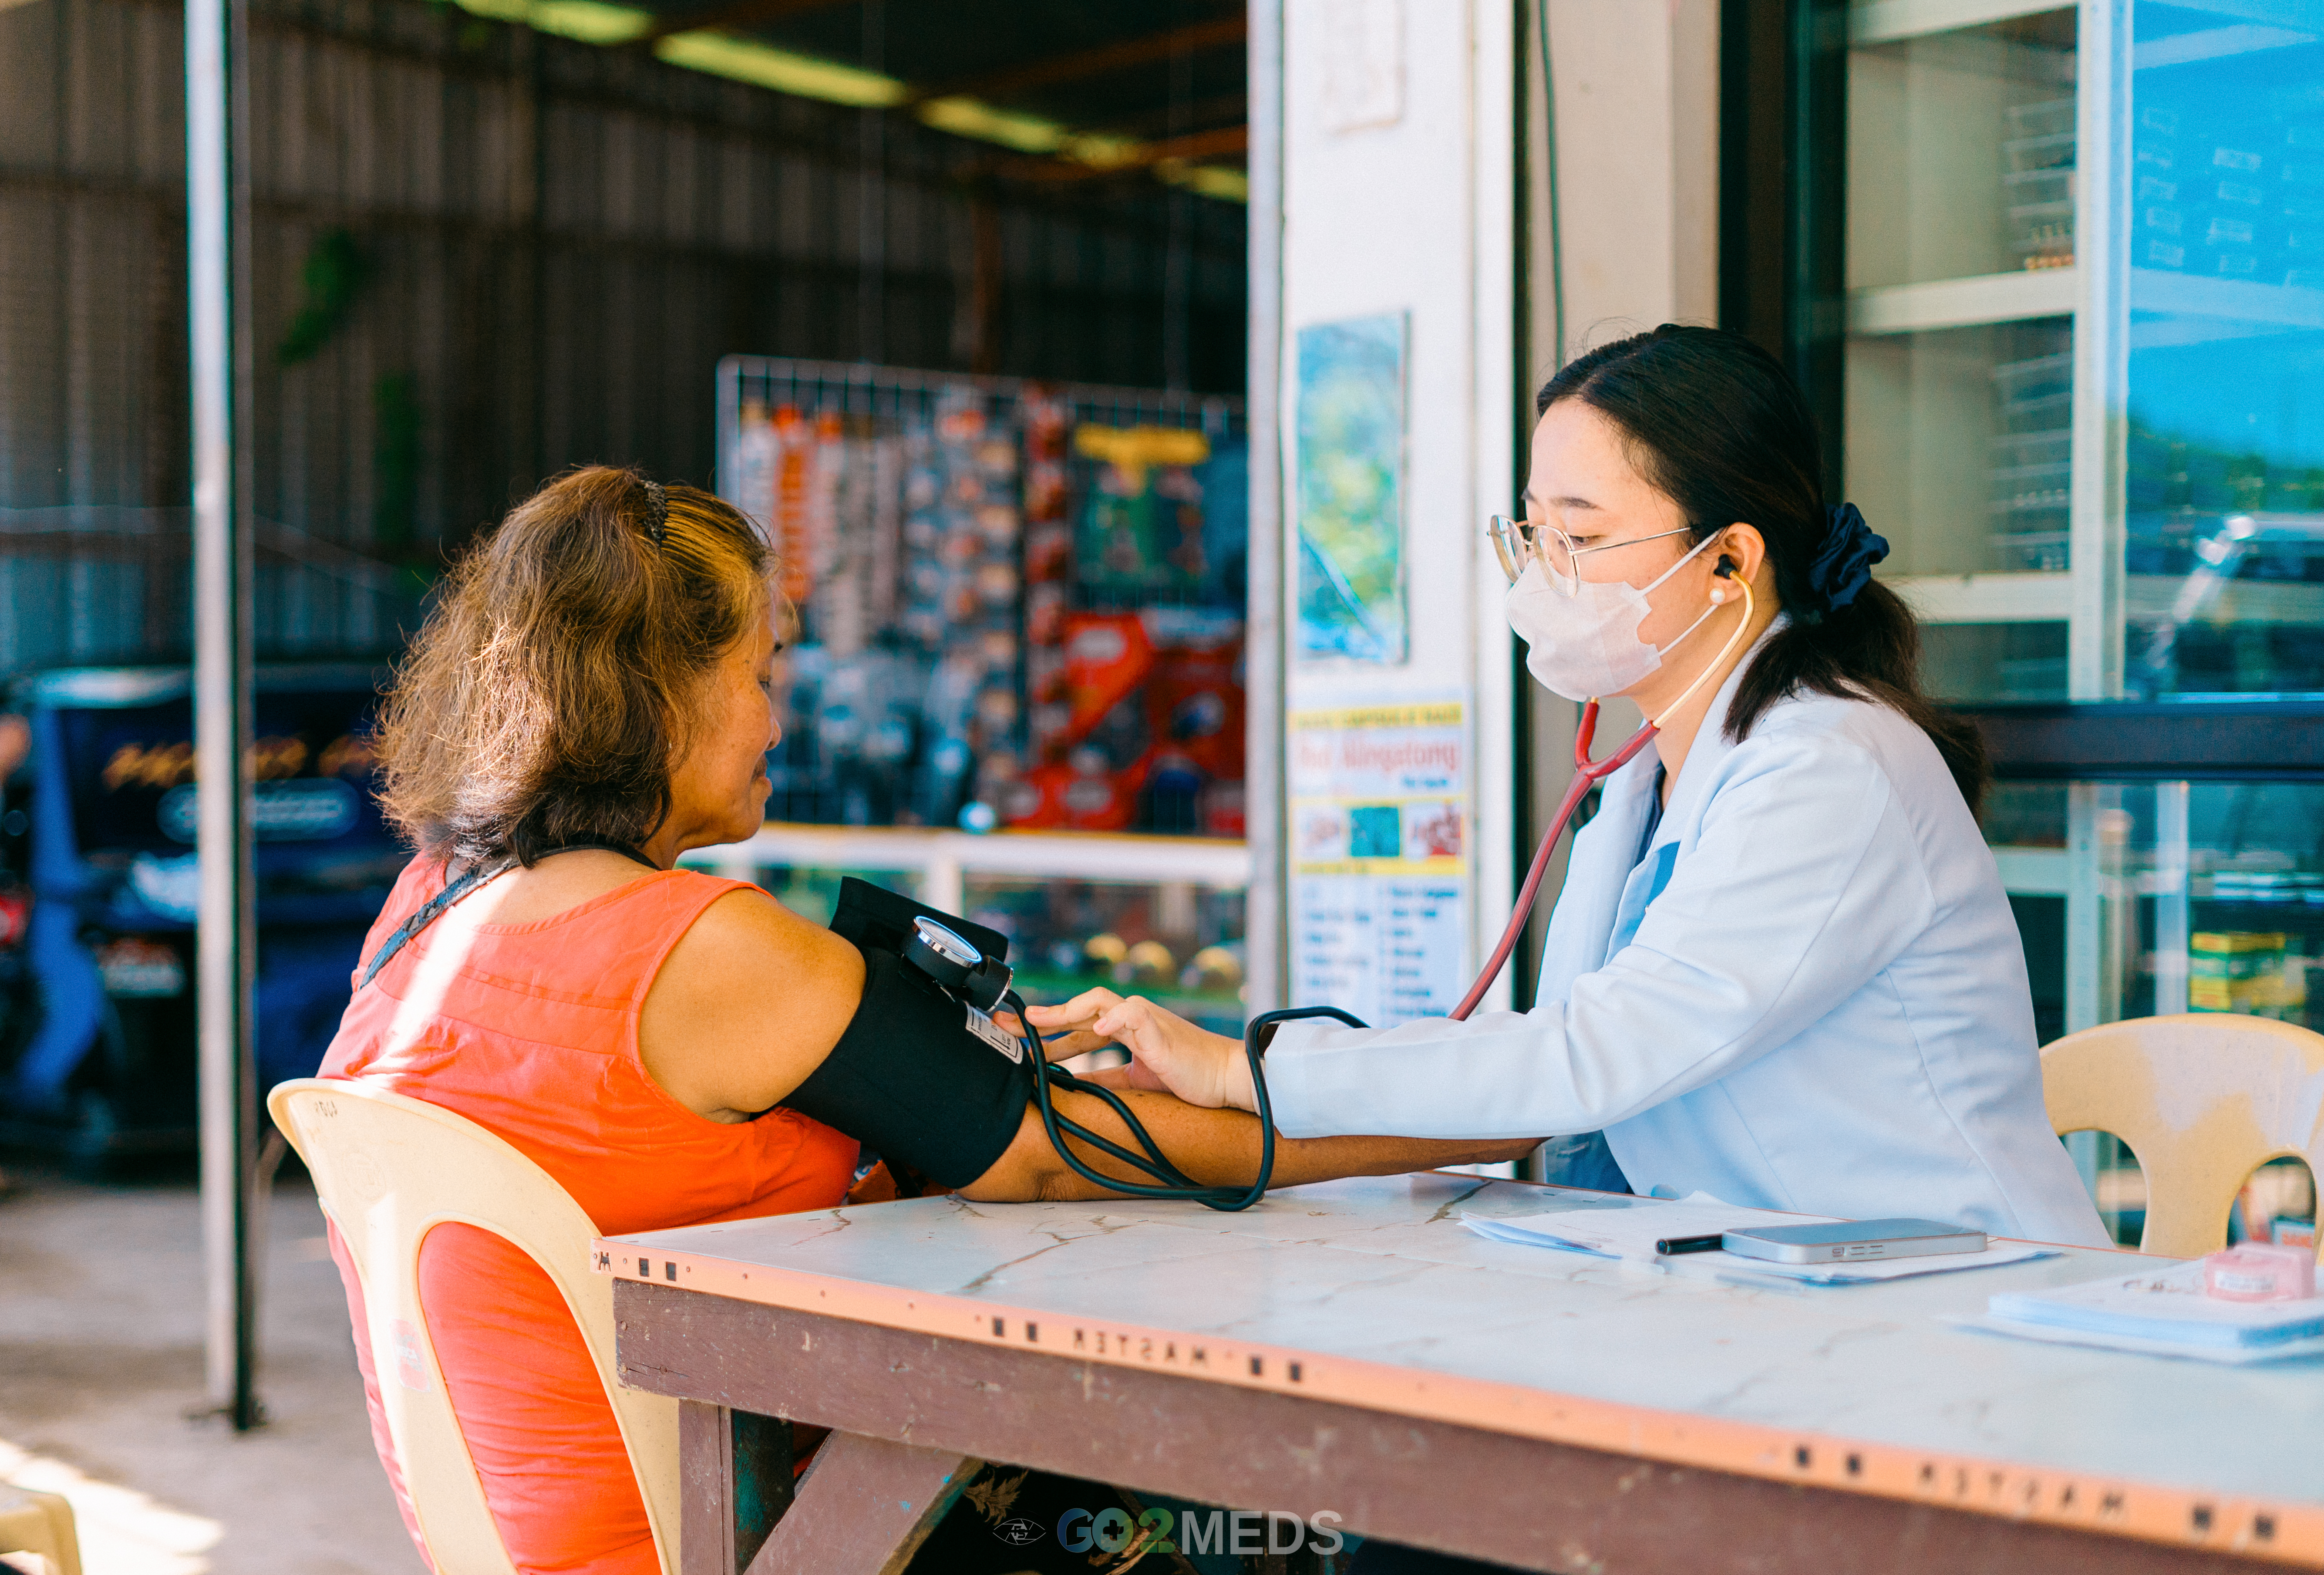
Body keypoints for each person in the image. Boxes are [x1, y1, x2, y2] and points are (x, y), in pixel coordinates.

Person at [318, 464, 1534, 1575]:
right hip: (741, 1533)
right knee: (1260, 1535)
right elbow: (1051, 1157)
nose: (777, 723)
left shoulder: (426, 906)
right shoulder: (702, 946)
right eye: (760, 677)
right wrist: (1484, 1120)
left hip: (527, 1536)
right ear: (658, 694)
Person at [1036, 324, 2106, 1245]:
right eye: (1533, 531)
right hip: (1771, 1283)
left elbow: (1594, 1057)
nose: (1545, 571)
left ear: (1728, 562)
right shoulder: (1640, 786)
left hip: (1960, 1293)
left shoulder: (1829, 768)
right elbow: (1561, 1070)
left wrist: (1246, 1073)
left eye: (1582, 536)